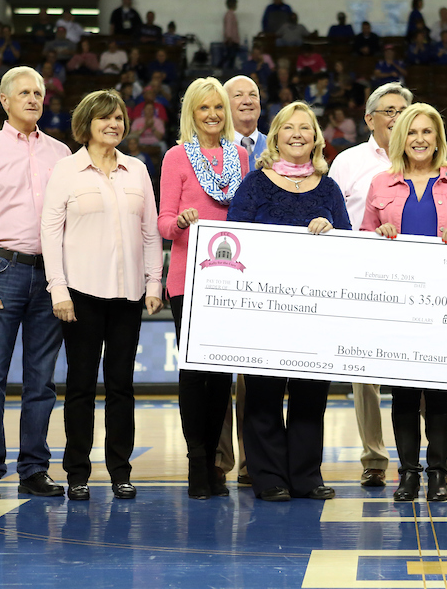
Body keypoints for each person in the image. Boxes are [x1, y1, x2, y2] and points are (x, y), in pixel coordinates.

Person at [328, 82, 447, 490]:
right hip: (397, 304)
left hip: (444, 302)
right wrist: (381, 232)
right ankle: (409, 476)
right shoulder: (381, 183)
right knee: (404, 395)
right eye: (411, 132)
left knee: (440, 393)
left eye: (426, 132)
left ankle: (437, 476)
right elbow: (365, 233)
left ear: (438, 138)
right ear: (400, 137)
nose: (418, 139)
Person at [41, 89, 164, 502]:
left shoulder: (139, 170)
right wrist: (58, 287)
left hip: (128, 296)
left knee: (121, 387)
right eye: (104, 118)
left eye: (118, 118)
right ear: (87, 124)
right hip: (80, 294)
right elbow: (50, 233)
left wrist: (153, 283)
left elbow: (149, 232)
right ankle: (77, 472)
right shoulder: (66, 170)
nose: (113, 124)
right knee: (79, 387)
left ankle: (120, 471)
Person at [0, 66, 72, 500]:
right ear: (4, 100)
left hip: (49, 275)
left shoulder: (62, 154)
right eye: (24, 92)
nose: (33, 99)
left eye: (39, 93)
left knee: (41, 381)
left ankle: (34, 469)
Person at [227, 102, 350, 501]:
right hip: (262, 313)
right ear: (275, 135)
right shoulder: (254, 183)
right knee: (262, 394)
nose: (297, 134)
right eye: (288, 128)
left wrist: (331, 230)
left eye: (305, 128)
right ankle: (268, 477)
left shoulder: (328, 188)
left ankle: (306, 475)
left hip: (317, 313)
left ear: (316, 138)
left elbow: (350, 244)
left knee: (310, 395)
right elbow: (233, 241)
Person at [157, 78, 250, 499]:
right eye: (202, 109)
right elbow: (163, 221)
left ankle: (215, 460)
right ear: (190, 114)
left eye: (217, 108)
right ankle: (197, 463)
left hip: (231, 282)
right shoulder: (177, 157)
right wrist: (179, 222)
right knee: (195, 373)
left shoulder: (242, 158)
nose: (212, 115)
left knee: (221, 376)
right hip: (188, 281)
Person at [225, 75, 268, 161]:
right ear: (224, 104)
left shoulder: (275, 148)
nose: (247, 101)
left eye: (253, 95)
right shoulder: (213, 150)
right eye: (238, 95)